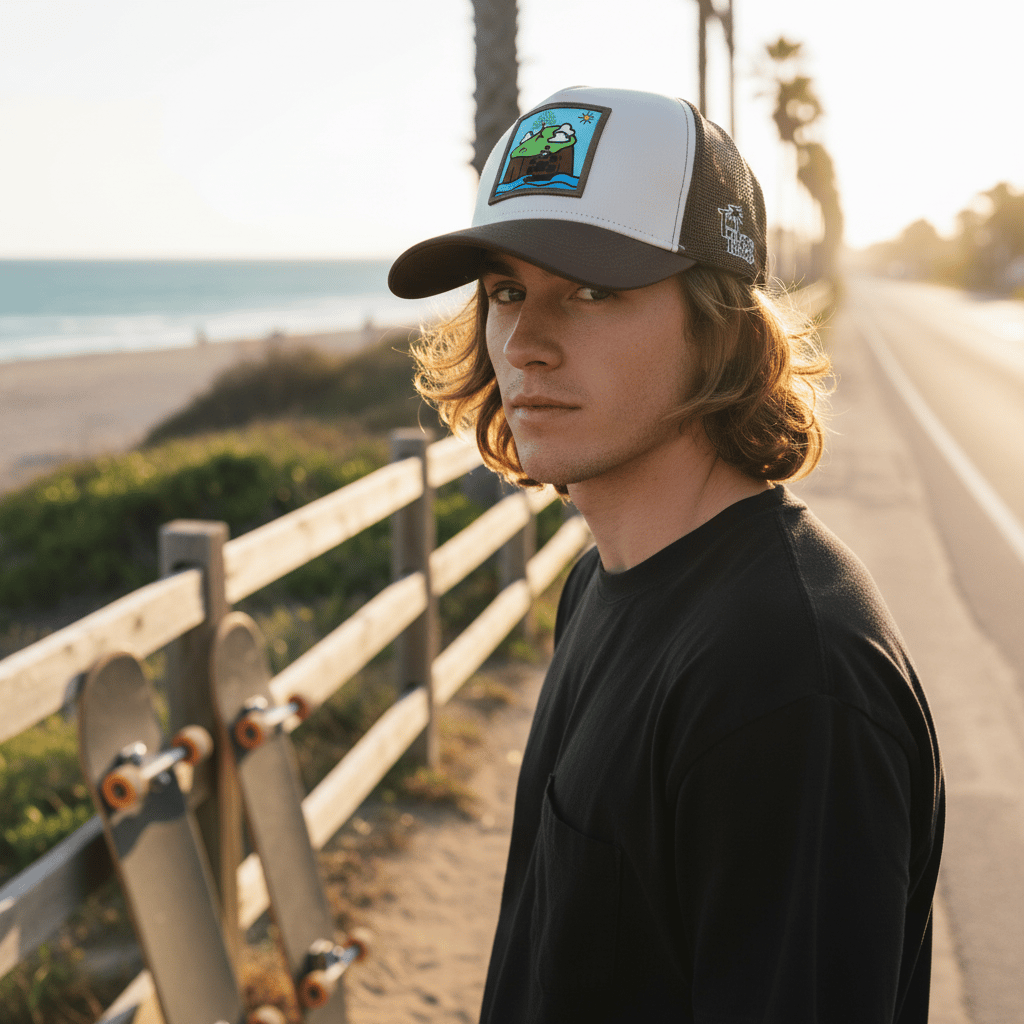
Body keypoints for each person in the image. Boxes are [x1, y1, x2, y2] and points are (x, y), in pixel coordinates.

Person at [388, 85, 944, 1024]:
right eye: (506, 291)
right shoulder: (602, 584)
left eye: (595, 291)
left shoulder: (786, 683)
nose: (525, 343)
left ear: (722, 328)